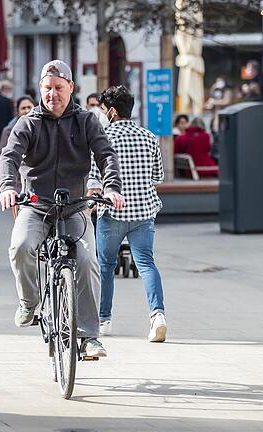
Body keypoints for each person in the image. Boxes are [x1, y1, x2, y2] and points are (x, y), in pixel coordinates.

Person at [0, 60, 124, 358]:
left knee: (87, 261)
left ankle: (89, 336)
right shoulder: (28, 123)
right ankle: (30, 302)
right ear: (40, 89)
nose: (52, 94)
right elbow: (9, 156)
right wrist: (7, 186)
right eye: (47, 88)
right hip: (36, 204)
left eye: (58, 88)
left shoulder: (86, 121)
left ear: (71, 88)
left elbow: (106, 154)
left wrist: (112, 187)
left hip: (75, 206)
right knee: (20, 247)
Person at [88, 85, 167, 342]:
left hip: (111, 212)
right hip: (144, 211)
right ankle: (157, 316)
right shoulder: (148, 136)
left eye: (102, 110)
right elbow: (158, 176)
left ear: (111, 111)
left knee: (106, 266)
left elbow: (94, 177)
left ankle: (104, 320)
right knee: (146, 263)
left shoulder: (103, 137)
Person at [0, 95, 35, 198]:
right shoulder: (9, 130)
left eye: (29, 107)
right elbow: (2, 157)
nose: (27, 110)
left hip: (37, 186)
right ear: (17, 112)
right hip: (18, 186)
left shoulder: (41, 128)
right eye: (23, 108)